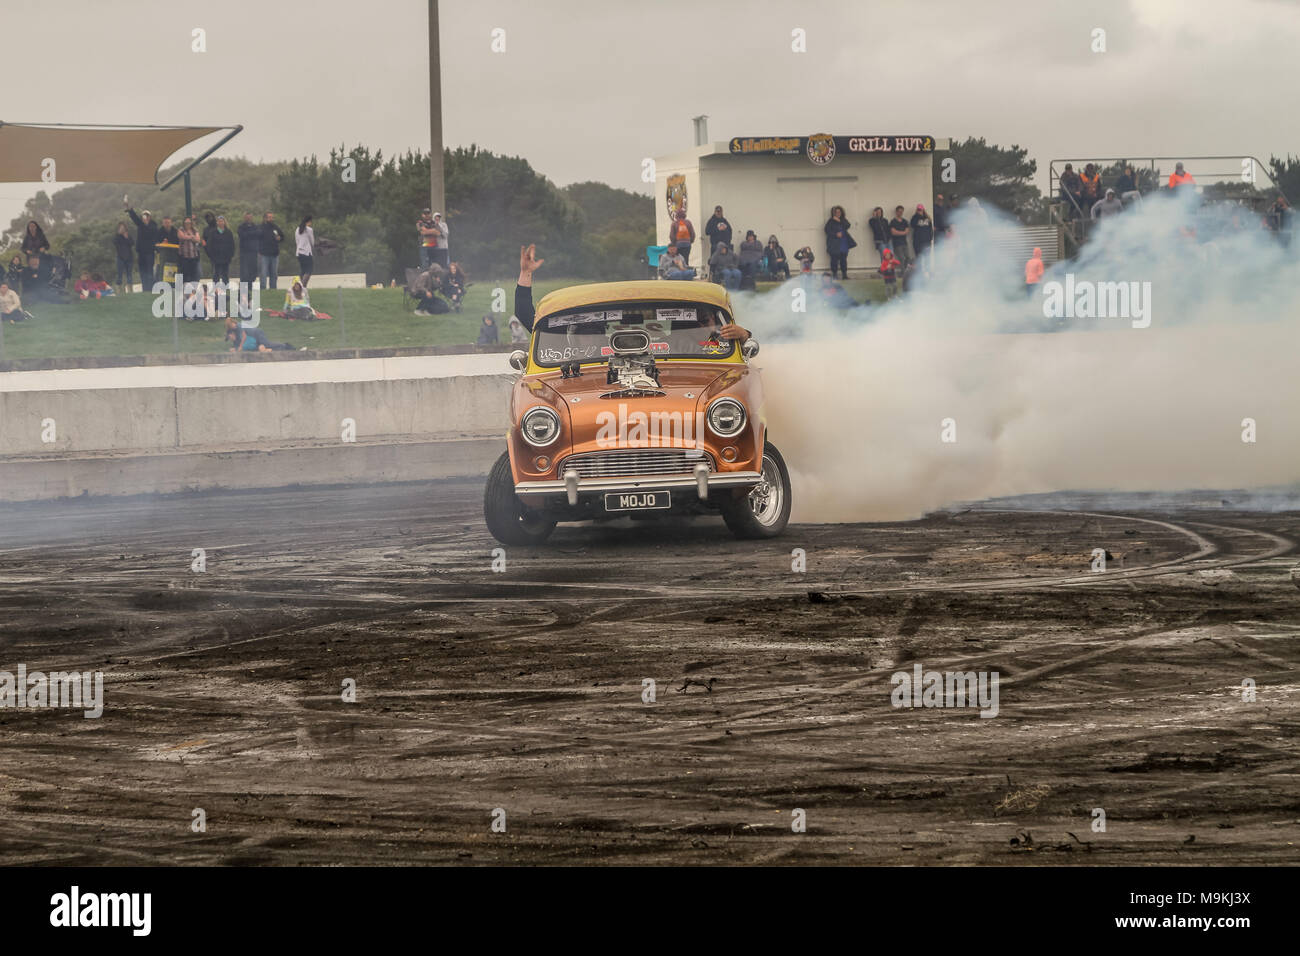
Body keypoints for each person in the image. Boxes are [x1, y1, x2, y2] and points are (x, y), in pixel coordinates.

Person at [512, 242, 749, 342]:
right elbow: (528, 317)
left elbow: (720, 343)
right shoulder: (567, 349)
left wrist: (745, 334)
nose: (585, 335)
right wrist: (526, 274)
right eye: (586, 327)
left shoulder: (695, 342)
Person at [126, 206, 162, 287]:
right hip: (141, 252)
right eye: (144, 216)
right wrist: (130, 210)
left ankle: (150, 288)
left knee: (149, 271)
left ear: (150, 217)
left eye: (147, 216)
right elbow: (135, 219)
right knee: (142, 271)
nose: (145, 217)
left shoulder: (153, 226)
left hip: (150, 253)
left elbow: (153, 234)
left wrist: (146, 225)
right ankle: (145, 288)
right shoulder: (140, 225)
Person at [204, 215, 235, 290]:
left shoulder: (228, 232)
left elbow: (232, 244)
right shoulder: (213, 232)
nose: (220, 222)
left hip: (226, 257)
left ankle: (226, 288)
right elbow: (209, 245)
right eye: (219, 221)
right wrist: (211, 256)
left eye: (222, 221)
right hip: (216, 257)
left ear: (224, 222)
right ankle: (216, 289)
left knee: (225, 274)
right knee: (216, 274)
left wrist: (230, 255)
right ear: (217, 222)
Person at [822, 205, 853, 279]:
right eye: (836, 212)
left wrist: (840, 221)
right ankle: (835, 274)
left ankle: (844, 275)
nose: (838, 213)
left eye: (839, 212)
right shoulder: (830, 221)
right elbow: (827, 231)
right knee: (834, 260)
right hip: (834, 244)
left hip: (843, 243)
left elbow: (848, 225)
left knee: (844, 259)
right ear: (833, 213)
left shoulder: (843, 220)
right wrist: (836, 234)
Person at [237, 212, 261, 300]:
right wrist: (252, 233)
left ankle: (250, 286)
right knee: (244, 272)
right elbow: (243, 235)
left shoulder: (256, 226)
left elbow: (259, 233)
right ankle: (243, 288)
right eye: (247, 217)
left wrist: (250, 234)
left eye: (250, 217)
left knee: (253, 270)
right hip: (244, 253)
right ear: (244, 218)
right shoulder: (241, 227)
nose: (249, 219)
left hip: (254, 252)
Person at [259, 212, 285, 289]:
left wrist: (280, 238)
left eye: (272, 217)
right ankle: (263, 288)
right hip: (264, 254)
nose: (271, 219)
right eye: (269, 217)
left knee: (274, 274)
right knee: (263, 273)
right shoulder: (260, 227)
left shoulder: (275, 227)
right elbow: (257, 239)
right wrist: (259, 250)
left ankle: (273, 289)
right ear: (265, 218)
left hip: (274, 255)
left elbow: (282, 237)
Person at [176, 216, 203, 287]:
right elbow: (181, 236)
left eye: (189, 223)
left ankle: (193, 289)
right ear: (184, 223)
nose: (187, 224)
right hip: (184, 257)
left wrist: (189, 236)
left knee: (194, 274)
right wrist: (192, 237)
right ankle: (185, 288)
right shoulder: (181, 229)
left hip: (193, 256)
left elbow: (198, 240)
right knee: (185, 274)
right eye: (186, 223)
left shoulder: (194, 230)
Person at [112, 222, 134, 291]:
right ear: (118, 229)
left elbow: (132, 243)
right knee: (119, 274)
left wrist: (127, 238)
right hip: (120, 257)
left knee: (129, 274)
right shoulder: (117, 236)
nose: (122, 229)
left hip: (129, 257)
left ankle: (130, 289)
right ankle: (119, 289)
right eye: (121, 228)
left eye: (123, 228)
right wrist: (119, 234)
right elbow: (114, 242)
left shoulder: (128, 235)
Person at [295, 215, 315, 286]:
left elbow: (297, 241)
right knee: (309, 270)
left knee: (303, 270)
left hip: (299, 253)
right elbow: (312, 242)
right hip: (306, 253)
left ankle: (300, 286)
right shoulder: (309, 230)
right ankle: (303, 286)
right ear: (309, 221)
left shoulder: (297, 229)